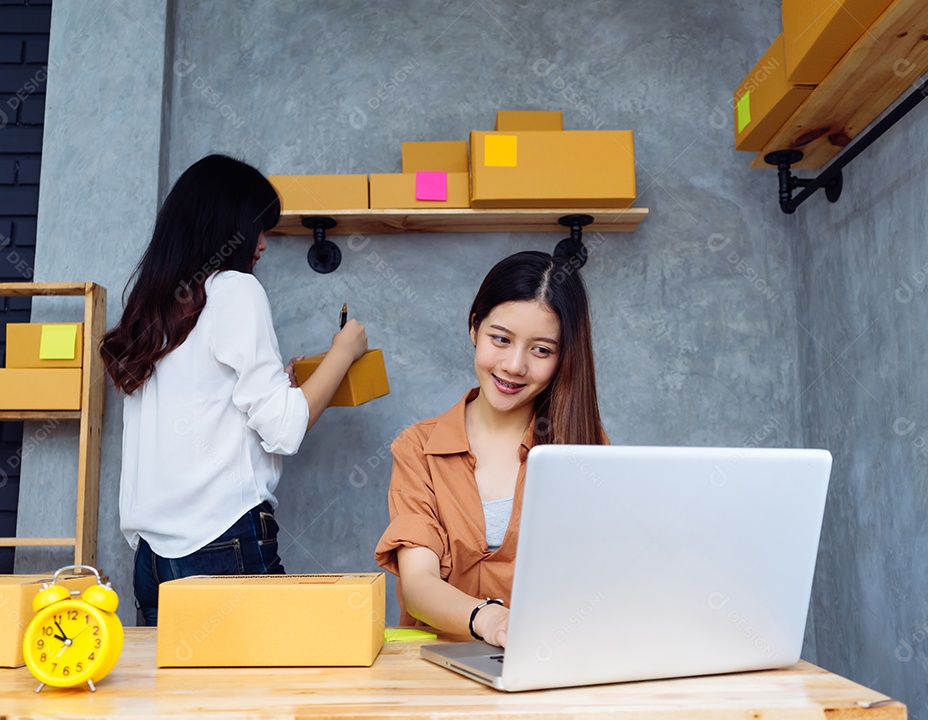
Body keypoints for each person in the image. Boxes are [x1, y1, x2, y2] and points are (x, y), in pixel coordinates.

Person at [101, 154, 367, 625]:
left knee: (182, 698)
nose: (264, 243)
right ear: (228, 227)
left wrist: (280, 390)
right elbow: (285, 431)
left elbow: (205, 404)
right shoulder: (235, 290)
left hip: (151, 558)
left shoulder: (153, 306)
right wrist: (343, 352)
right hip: (222, 541)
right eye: (258, 227)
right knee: (267, 691)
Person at [375, 251, 607, 647]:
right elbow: (418, 583)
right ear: (473, 328)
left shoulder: (585, 444)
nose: (515, 365)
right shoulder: (418, 448)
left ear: (563, 357)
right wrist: (490, 619)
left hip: (544, 663)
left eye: (541, 350)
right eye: (500, 339)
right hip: (434, 670)